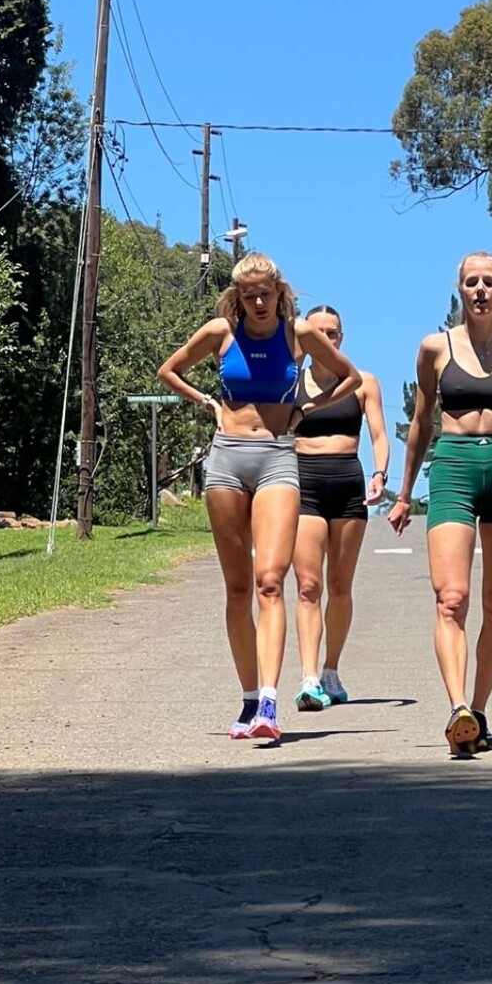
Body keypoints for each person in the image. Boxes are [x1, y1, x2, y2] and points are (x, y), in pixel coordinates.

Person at [158, 254, 361, 743]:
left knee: (270, 580)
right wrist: (207, 402)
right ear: (238, 297)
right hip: (227, 458)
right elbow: (169, 370)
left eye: (265, 294)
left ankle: (270, 700)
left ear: (279, 292)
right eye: (248, 296)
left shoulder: (298, 333)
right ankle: (249, 698)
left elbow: (350, 377)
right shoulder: (221, 332)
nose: (258, 303)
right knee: (237, 588)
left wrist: (305, 410)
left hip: (277, 458)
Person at [389, 253, 492, 756]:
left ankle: (477, 712)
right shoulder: (434, 348)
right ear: (459, 289)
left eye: (489, 282)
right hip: (453, 468)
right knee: (451, 598)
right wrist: (403, 494)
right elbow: (420, 424)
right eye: (471, 282)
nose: (480, 290)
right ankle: (457, 705)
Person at [292, 305, 390, 710]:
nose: (325, 339)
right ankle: (309, 677)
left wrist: (380, 473)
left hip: (348, 484)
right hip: (303, 484)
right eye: (316, 333)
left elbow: (379, 435)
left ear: (342, 338)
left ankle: (331, 669)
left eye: (331, 333)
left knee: (340, 586)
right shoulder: (290, 382)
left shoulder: (362, 382)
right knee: (308, 586)